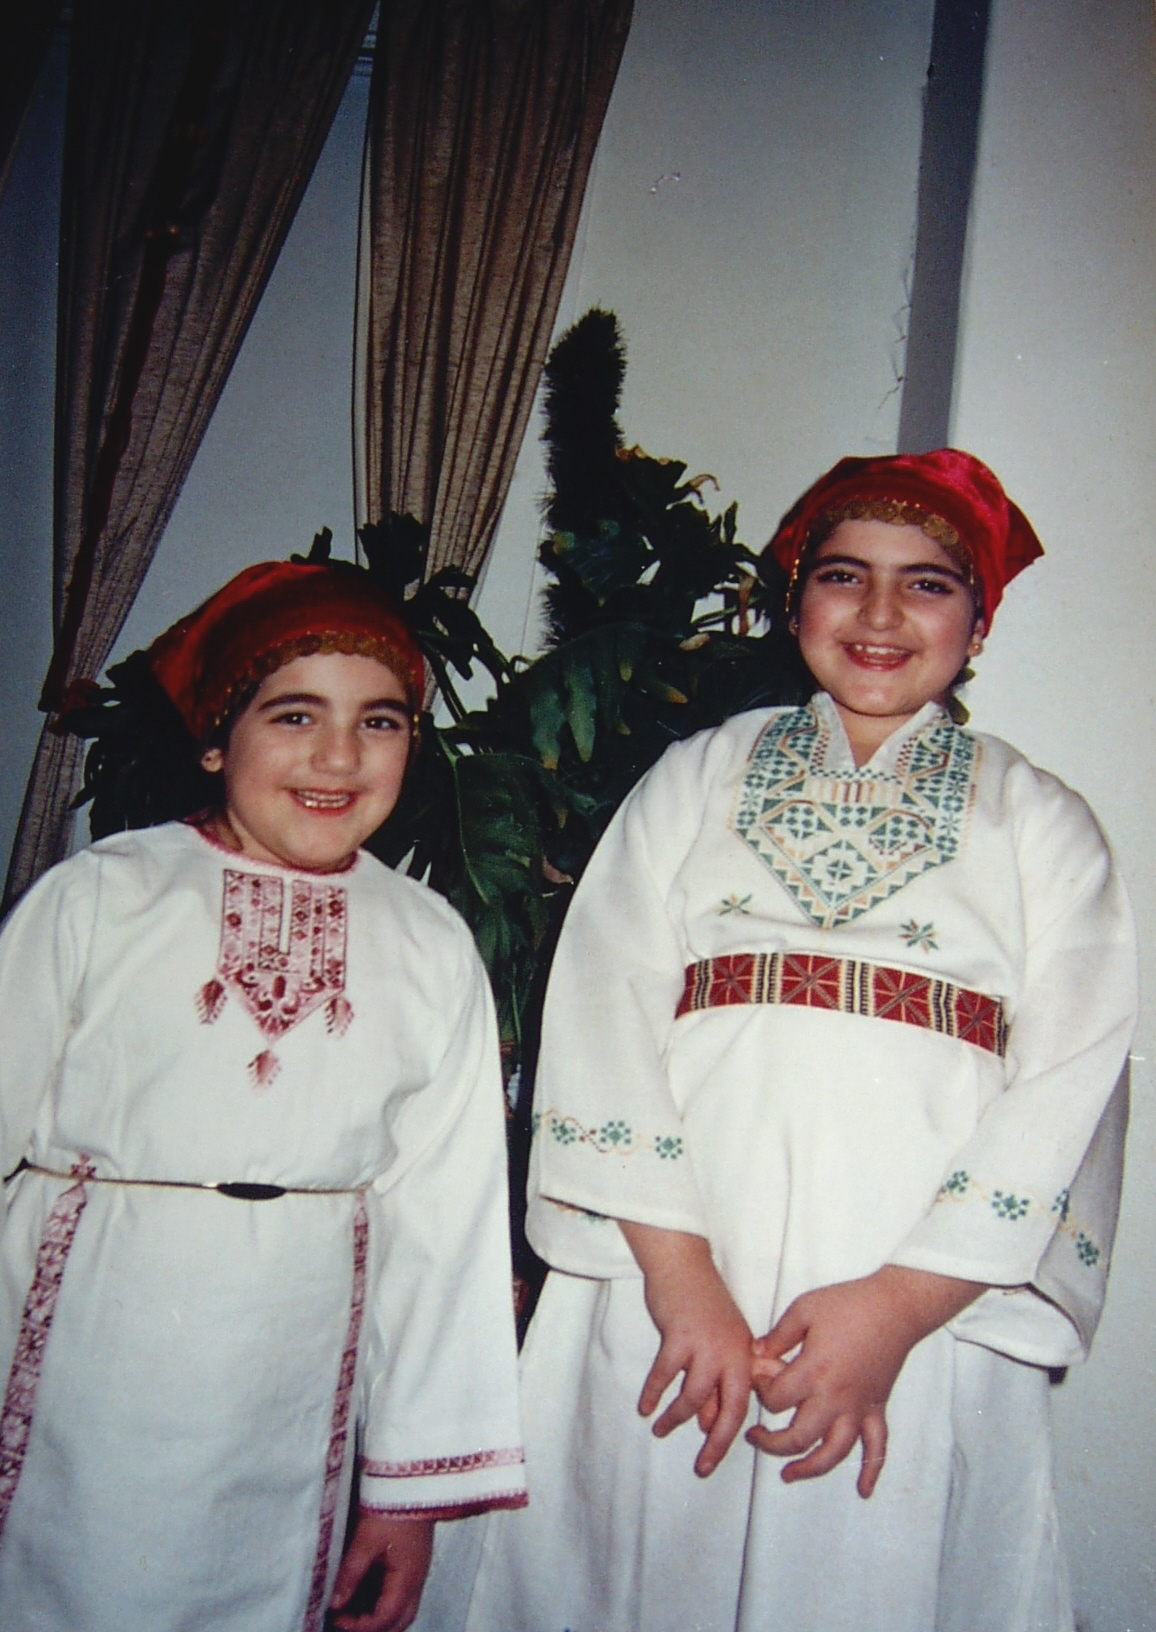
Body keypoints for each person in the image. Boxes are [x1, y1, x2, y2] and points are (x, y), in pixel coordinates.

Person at [450, 450, 1136, 1632]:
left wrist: (898, 1309)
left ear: (978, 620)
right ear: (790, 600)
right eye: (841, 576)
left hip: (914, 1285)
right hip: (675, 1264)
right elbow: (602, 1006)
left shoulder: (1039, 820)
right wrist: (679, 1279)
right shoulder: (695, 778)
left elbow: (1071, 1079)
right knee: (635, 1545)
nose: (877, 615)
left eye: (925, 585)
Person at [0, 560, 526, 1632]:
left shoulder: (431, 943)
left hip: (285, 1382)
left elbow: (447, 1225)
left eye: (380, 722)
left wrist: (408, 1497)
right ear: (217, 737)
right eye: (294, 714)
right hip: (81, 1351)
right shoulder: (101, 896)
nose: (337, 757)